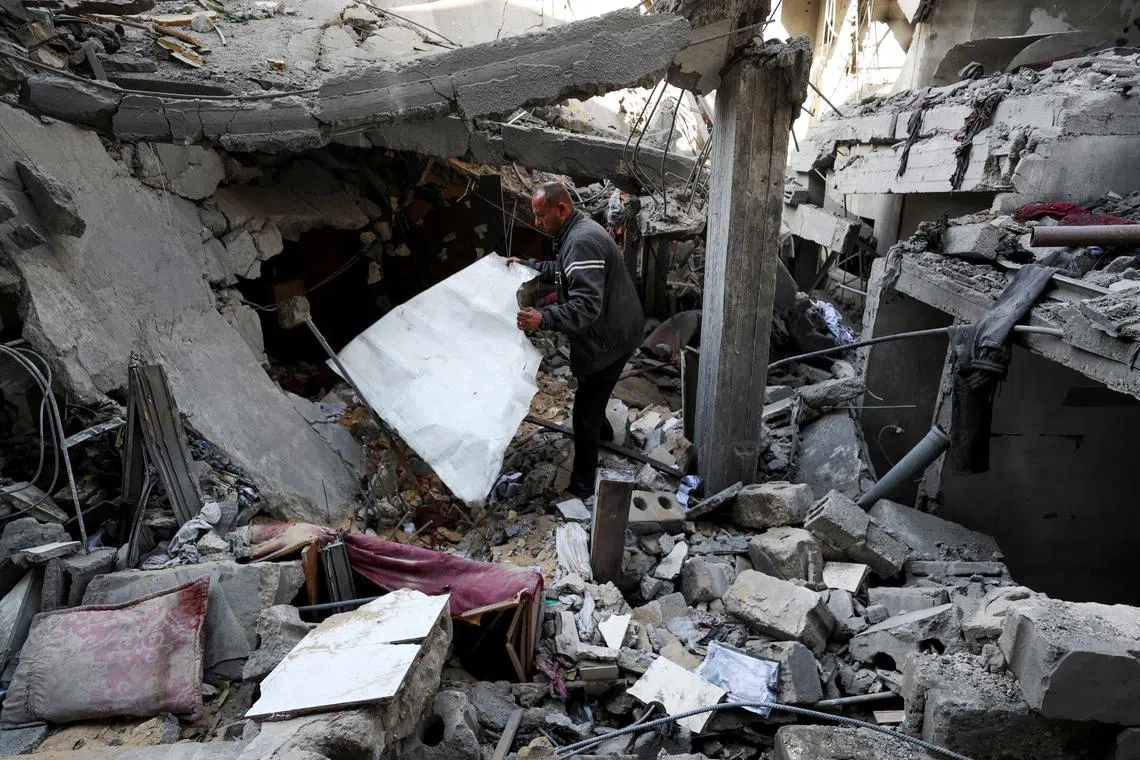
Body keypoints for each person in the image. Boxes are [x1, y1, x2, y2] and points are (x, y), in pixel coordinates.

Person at [509, 182, 644, 500]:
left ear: (561, 210)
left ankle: (582, 487)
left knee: (584, 411)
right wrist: (530, 267)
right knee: (592, 389)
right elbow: (563, 272)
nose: (538, 222)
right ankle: (606, 435)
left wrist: (544, 318)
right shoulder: (574, 234)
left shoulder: (581, 240)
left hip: (611, 336)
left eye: (541, 216)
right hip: (616, 327)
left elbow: (586, 305)